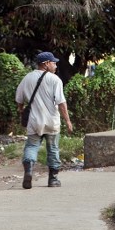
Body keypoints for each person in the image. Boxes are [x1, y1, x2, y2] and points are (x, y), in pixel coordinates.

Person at [15, 51, 73, 189]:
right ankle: (53, 180)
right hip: (52, 121)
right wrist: (68, 121)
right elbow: (61, 103)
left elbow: (19, 99)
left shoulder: (27, 78)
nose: (56, 65)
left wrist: (21, 111)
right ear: (46, 64)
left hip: (34, 121)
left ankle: (29, 170)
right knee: (53, 149)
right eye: (54, 63)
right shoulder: (55, 80)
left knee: (31, 146)